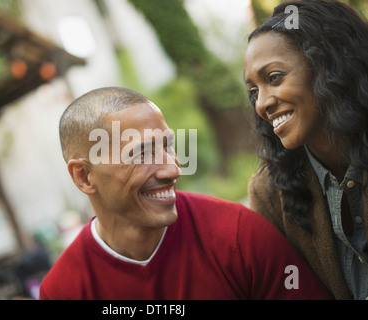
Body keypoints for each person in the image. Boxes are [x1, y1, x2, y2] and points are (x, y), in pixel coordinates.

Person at [39, 86, 333, 300]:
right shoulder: (64, 290)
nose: (172, 170)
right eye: (141, 154)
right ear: (84, 175)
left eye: (167, 146)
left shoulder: (238, 237)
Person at [244, 0, 368, 300]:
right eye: (253, 91)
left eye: (274, 78)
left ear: (328, 64)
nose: (261, 103)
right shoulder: (270, 192)